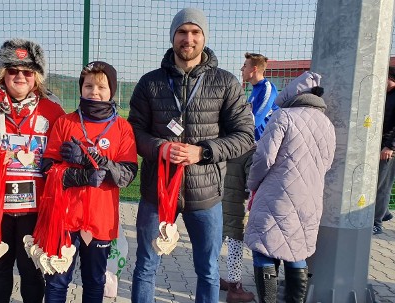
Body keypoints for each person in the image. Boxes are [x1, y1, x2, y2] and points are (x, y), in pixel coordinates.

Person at [128, 8, 254, 303]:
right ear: (173, 36)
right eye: (182, 32)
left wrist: (203, 151)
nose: (188, 38)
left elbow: (245, 135)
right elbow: (133, 132)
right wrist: (160, 148)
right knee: (146, 266)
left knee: (208, 270)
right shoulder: (150, 82)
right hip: (157, 193)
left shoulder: (225, 83)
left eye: (195, 32)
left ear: (204, 37)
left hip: (206, 195)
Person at [0, 39, 65, 303]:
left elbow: (62, 154)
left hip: (35, 206)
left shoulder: (52, 111)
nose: (19, 76)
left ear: (36, 77)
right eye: (12, 70)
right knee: (0, 266)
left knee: (31, 269)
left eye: (27, 71)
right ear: (2, 74)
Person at [41, 61, 138, 303]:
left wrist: (90, 158)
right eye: (88, 85)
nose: (94, 91)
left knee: (95, 281)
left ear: (111, 91)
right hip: (64, 217)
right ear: (81, 88)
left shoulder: (122, 128)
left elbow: (126, 174)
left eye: (101, 87)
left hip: (100, 219)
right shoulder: (65, 123)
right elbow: (47, 168)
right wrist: (77, 175)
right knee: (57, 279)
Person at [244, 71, 336, 303]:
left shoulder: (283, 117)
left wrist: (252, 183)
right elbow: (327, 164)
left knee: (265, 249)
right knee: (297, 249)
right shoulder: (327, 123)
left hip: (276, 196)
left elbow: (264, 157)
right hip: (311, 199)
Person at [218, 52, 279, 301]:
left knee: (230, 227)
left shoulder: (266, 89)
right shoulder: (251, 93)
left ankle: (225, 280)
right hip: (244, 158)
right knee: (233, 229)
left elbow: (253, 122)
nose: (242, 70)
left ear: (254, 69)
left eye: (244, 66)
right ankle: (233, 283)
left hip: (250, 154)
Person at [373, 66, 395, 235]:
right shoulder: (383, 95)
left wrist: (390, 146)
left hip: (388, 149)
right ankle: (385, 212)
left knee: (382, 186)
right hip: (377, 144)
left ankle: (376, 223)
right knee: (374, 184)